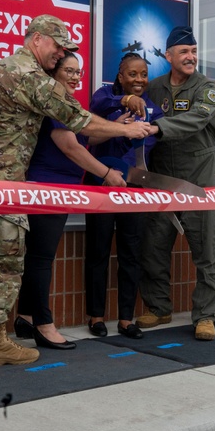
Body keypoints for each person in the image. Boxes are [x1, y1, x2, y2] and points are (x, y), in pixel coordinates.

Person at [0, 14, 151, 367]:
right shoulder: (31, 77)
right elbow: (76, 118)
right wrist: (126, 132)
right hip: (5, 184)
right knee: (2, 265)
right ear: (37, 39)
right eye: (58, 47)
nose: (61, 55)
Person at [14, 53, 130, 350]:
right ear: (54, 71)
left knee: (38, 256)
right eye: (70, 70)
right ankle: (43, 324)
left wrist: (116, 125)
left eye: (80, 72)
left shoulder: (67, 103)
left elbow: (84, 142)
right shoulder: (54, 101)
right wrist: (106, 173)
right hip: (48, 187)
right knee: (41, 259)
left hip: (62, 188)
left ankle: (26, 316)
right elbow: (68, 147)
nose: (77, 77)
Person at [135, 26, 215, 341]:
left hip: (199, 178)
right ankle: (159, 308)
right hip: (162, 180)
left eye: (194, 51)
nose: (191, 57)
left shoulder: (208, 89)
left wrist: (156, 127)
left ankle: (205, 316)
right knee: (154, 246)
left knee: (207, 249)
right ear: (169, 56)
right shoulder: (155, 87)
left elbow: (196, 119)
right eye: (184, 52)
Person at [83, 53, 164, 339]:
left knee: (131, 253)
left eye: (143, 74)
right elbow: (94, 108)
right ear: (120, 76)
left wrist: (124, 171)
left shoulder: (153, 111)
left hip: (133, 189)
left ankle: (127, 318)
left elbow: (145, 147)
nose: (139, 80)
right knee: (98, 252)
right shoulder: (105, 96)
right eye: (132, 74)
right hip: (100, 185)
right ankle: (96, 316)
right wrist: (124, 101)